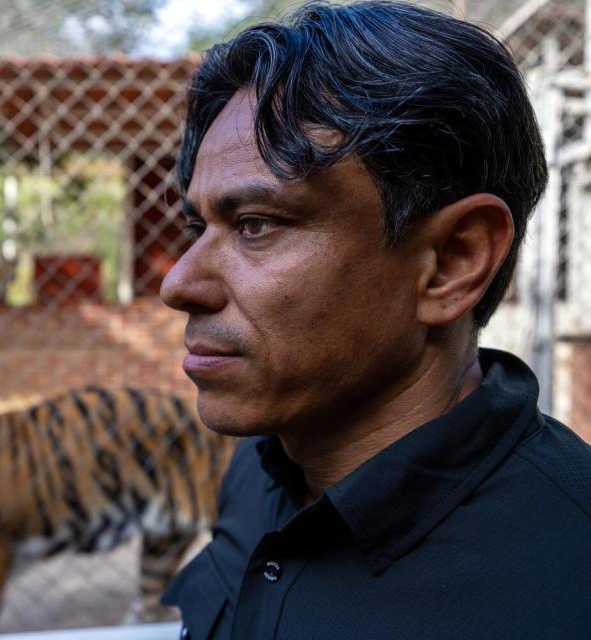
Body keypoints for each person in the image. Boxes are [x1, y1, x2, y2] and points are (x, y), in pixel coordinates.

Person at [157, 2, 591, 638]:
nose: (178, 284)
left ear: (451, 262)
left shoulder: (565, 577)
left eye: (256, 224)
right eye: (198, 226)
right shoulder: (261, 463)